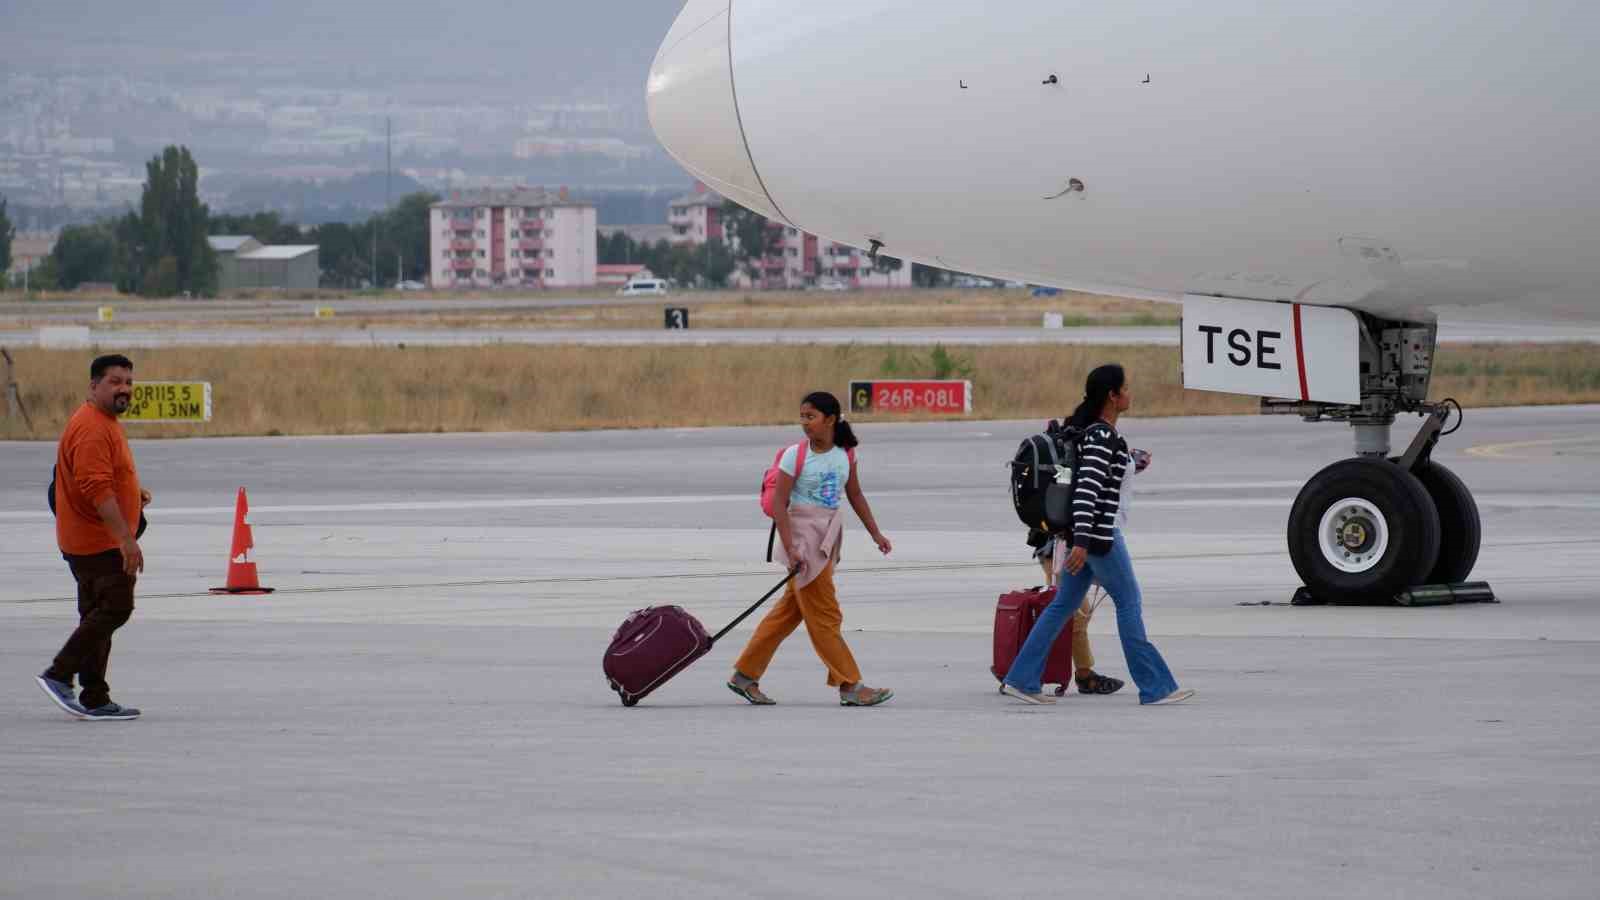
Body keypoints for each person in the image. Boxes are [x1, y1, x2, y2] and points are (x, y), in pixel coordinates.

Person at [1001, 364, 1193, 706]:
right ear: (1112, 396)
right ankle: (1156, 687)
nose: (1130, 394)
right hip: (1101, 537)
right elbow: (1087, 490)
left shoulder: (1091, 432)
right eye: (1126, 388)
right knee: (1129, 602)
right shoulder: (1102, 435)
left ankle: (1021, 678)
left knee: (1062, 606)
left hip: (1086, 536)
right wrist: (1083, 542)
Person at [728, 391, 895, 707]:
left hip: (828, 536)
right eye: (802, 416)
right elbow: (780, 504)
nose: (805, 423)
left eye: (811, 417)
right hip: (803, 538)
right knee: (825, 615)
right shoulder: (795, 454)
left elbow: (856, 495)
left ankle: (744, 676)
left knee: (787, 614)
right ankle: (850, 685)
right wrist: (791, 548)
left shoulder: (846, 453)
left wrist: (876, 533)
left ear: (830, 419)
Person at [35, 354, 150, 721]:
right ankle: (58, 673)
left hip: (88, 539)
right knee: (116, 608)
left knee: (95, 615)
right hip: (98, 543)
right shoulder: (92, 427)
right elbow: (95, 487)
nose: (124, 389)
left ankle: (95, 698)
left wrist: (133, 493)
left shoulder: (103, 422)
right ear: (94, 386)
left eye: (129, 382)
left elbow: (102, 478)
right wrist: (126, 539)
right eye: (115, 381)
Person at [1028, 526, 1124, 695]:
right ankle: (1083, 675)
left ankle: (1021, 670)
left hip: (1060, 547)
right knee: (1074, 617)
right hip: (1060, 549)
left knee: (1072, 616)